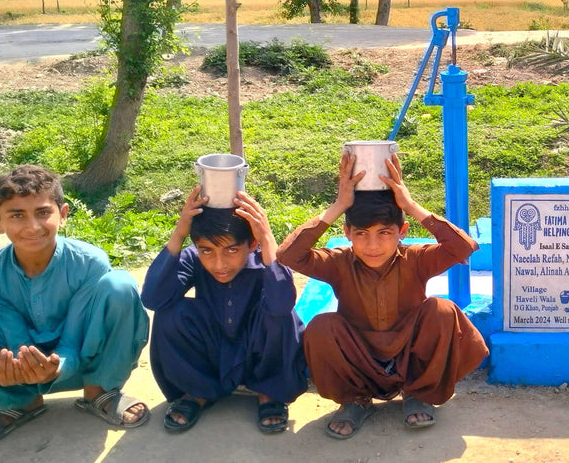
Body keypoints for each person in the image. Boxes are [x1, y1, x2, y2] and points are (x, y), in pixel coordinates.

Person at [0, 165, 150, 452]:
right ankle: (17, 401)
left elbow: (72, 337)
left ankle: (100, 391)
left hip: (80, 353)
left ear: (63, 214)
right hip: (24, 365)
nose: (32, 226)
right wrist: (10, 369)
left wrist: (56, 369)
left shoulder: (89, 262)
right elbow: (14, 335)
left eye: (43, 212)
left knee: (120, 285)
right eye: (17, 215)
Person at [276, 151, 488, 439]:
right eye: (361, 234)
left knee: (441, 309)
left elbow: (463, 248)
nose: (373, 245)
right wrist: (339, 204)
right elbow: (289, 255)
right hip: (359, 356)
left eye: (384, 233)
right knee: (322, 326)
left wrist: (410, 205)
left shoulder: (415, 258)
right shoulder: (339, 263)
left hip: (409, 354)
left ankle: (417, 393)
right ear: (347, 232)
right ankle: (355, 400)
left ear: (402, 231)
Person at [141, 186, 307, 434]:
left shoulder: (264, 259)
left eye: (231, 250)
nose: (219, 264)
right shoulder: (193, 257)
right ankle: (199, 391)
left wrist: (267, 238)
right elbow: (153, 298)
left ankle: (269, 391)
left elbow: (282, 303)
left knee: (280, 314)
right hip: (214, 349)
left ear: (251, 244)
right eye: (207, 250)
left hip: (256, 350)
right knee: (169, 312)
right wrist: (179, 233)